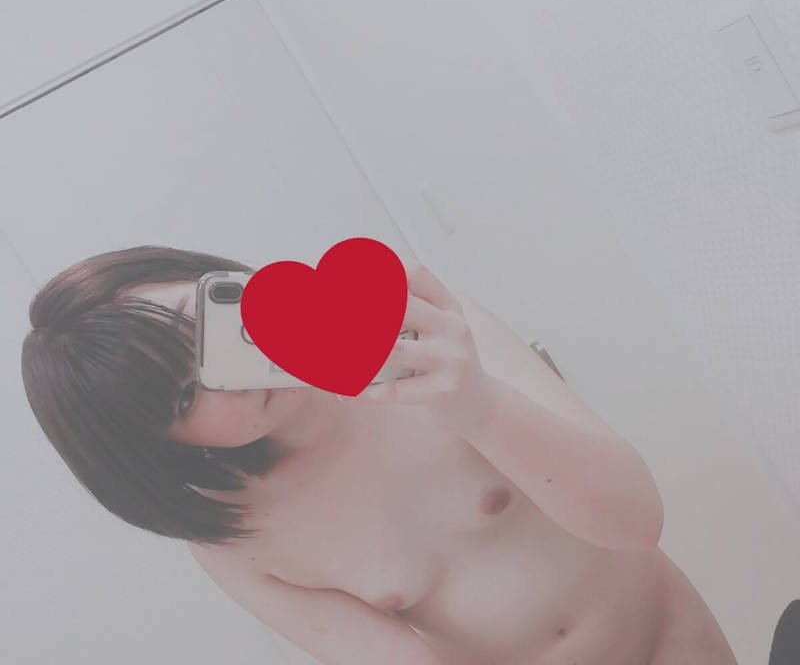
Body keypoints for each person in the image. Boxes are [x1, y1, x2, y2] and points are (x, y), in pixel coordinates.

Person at [21, 244, 738, 665]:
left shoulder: (427, 337)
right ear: (164, 447)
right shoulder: (234, 536)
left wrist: (479, 405)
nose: (228, 372)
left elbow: (635, 522)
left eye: (204, 324)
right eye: (185, 396)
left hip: (676, 642)